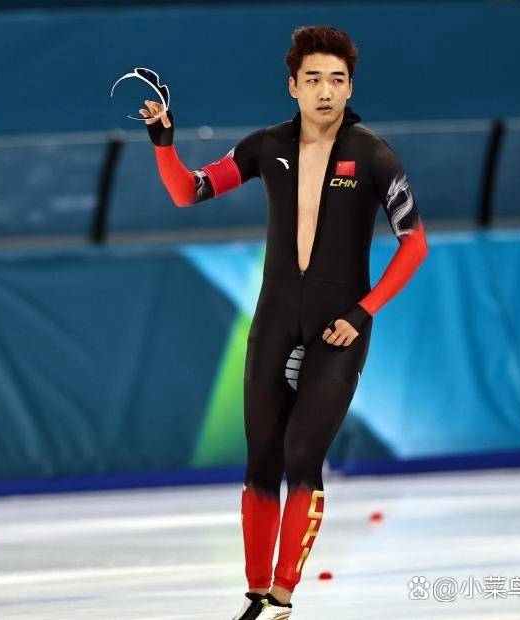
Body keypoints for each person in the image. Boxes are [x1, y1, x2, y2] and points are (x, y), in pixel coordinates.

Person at [140, 25, 429, 620]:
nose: (326, 91)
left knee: (302, 455)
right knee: (262, 461)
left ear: (350, 89)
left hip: (338, 327)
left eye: (337, 80)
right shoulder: (264, 146)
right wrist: (164, 143)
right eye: (313, 79)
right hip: (274, 320)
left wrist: (363, 311)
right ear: (292, 86)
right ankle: (254, 593)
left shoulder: (374, 155)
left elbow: (415, 244)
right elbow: (189, 192)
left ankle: (283, 593)